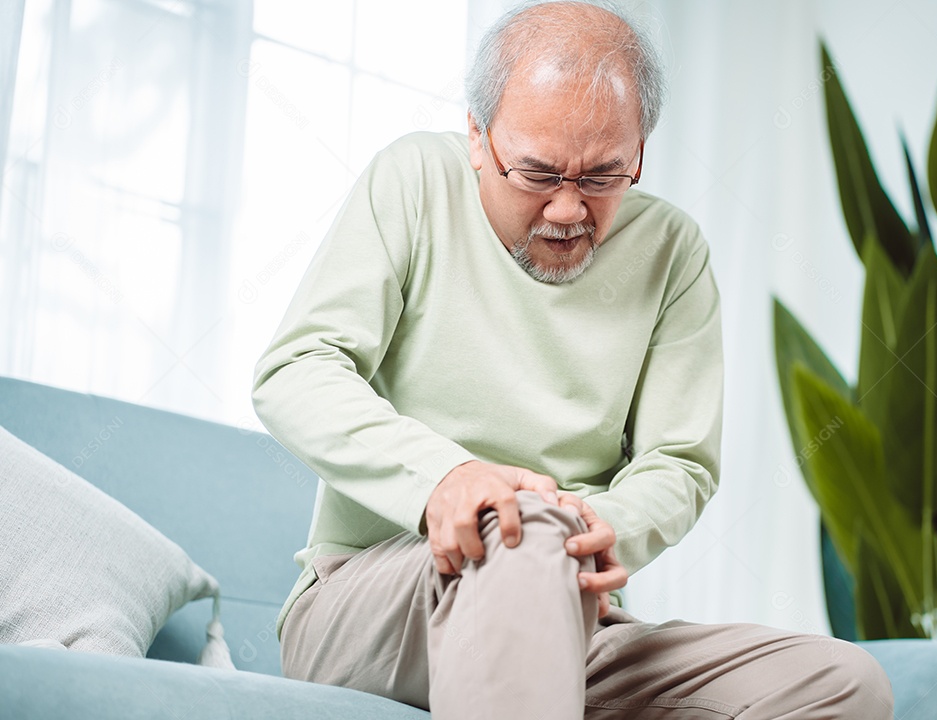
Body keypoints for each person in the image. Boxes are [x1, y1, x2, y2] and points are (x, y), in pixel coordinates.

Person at [251, 1, 893, 717]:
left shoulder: (673, 255)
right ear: (476, 136)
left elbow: (679, 461)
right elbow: (297, 369)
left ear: (640, 155)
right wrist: (448, 480)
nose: (566, 210)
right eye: (536, 174)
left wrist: (591, 528)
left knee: (843, 686)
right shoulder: (413, 181)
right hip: (371, 604)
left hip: (571, 618)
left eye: (600, 179)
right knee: (523, 534)